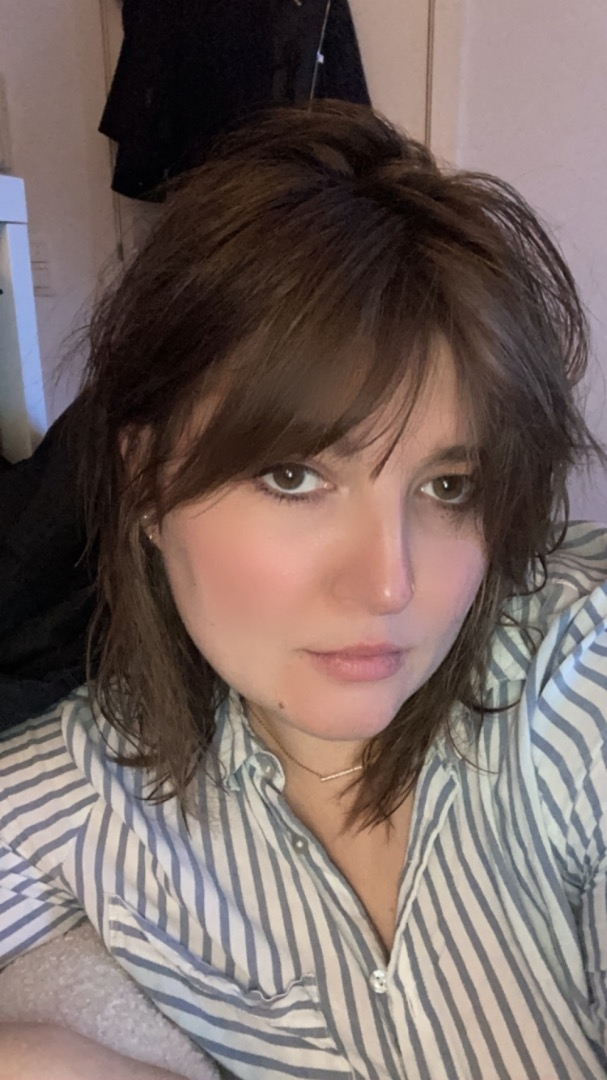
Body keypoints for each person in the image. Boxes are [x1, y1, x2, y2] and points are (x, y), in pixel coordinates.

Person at [1, 101, 607, 1080]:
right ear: (146, 484)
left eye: (448, 487)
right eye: (294, 476)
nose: (388, 583)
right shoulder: (87, 791)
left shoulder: (576, 683)